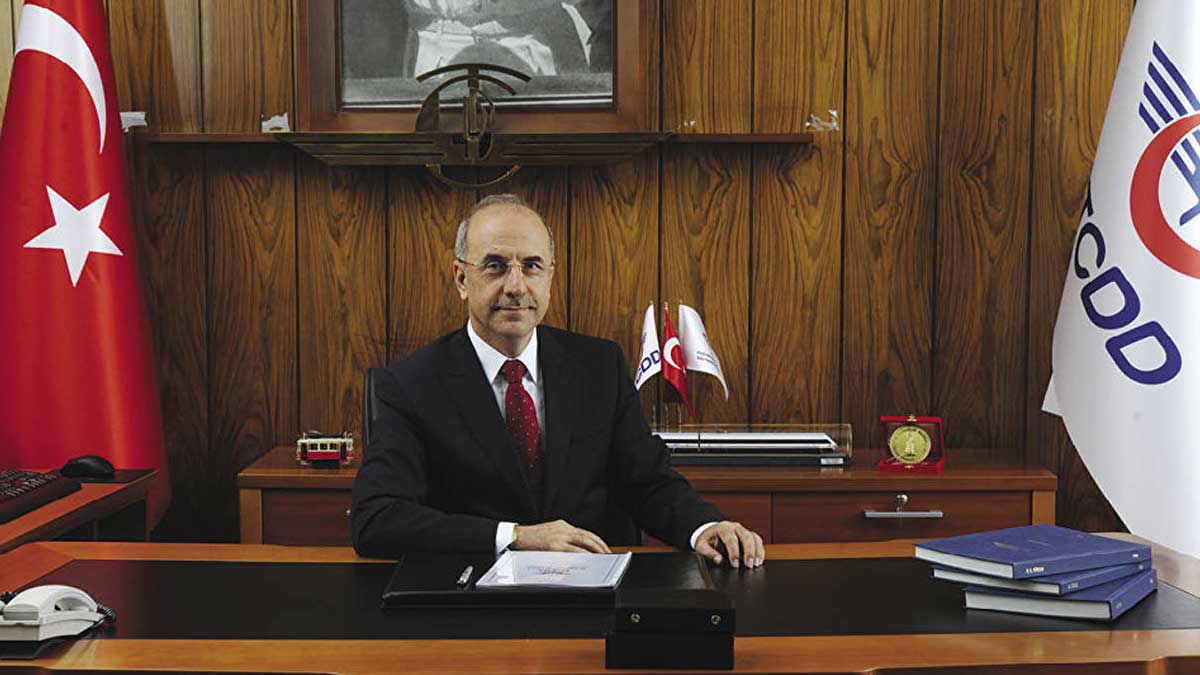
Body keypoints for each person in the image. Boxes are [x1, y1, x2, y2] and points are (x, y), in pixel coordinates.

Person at [351, 194, 765, 567]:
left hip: (593, 596)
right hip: (470, 600)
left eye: (532, 266)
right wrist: (515, 537)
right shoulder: (409, 385)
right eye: (495, 266)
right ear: (461, 279)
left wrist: (702, 527)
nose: (516, 287)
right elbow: (377, 519)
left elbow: (647, 482)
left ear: (550, 276)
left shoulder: (599, 366)